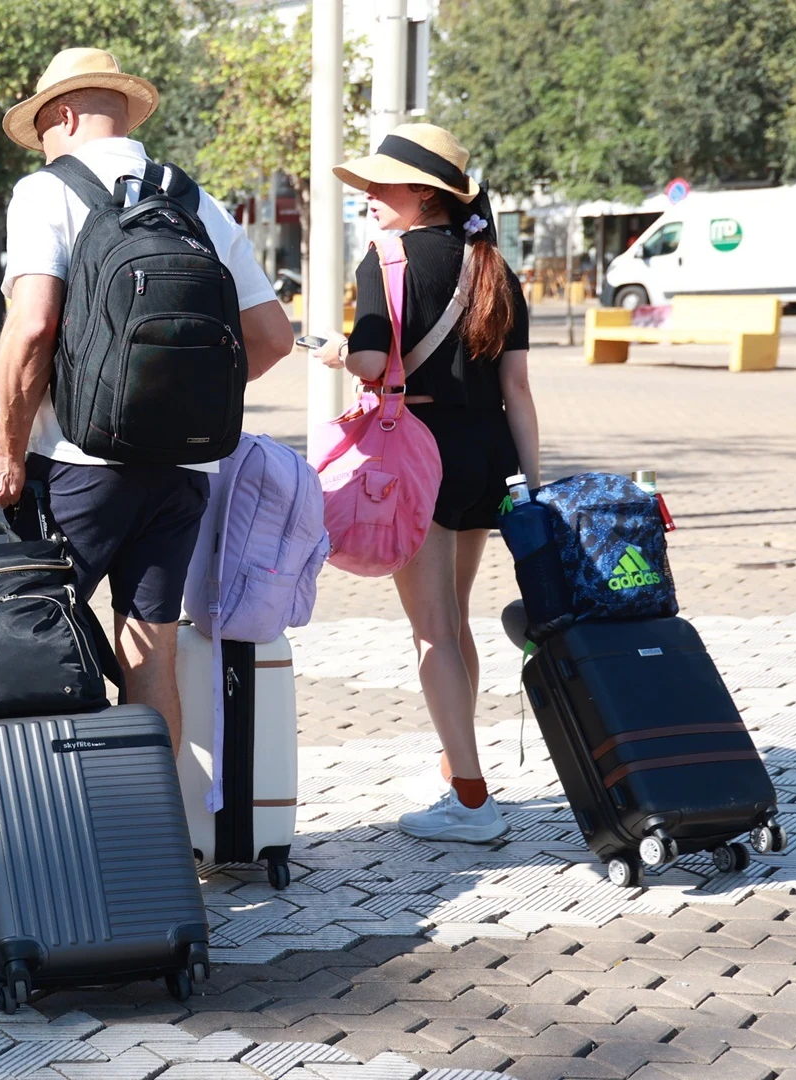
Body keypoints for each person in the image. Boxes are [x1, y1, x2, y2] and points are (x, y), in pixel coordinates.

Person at [0, 48, 295, 748]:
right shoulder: (195, 200)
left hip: (76, 463)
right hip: (184, 470)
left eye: (44, 130)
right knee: (151, 653)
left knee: (32, 644)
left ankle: (53, 841)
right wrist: (181, 397)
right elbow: (272, 338)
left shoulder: (46, 192)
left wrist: (3, 448)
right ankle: (160, 841)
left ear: (62, 114)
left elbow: (31, 326)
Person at [309, 123, 536, 843]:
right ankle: (453, 770)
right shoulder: (492, 264)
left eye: (383, 186)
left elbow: (375, 363)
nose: (370, 198)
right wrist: (532, 488)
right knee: (456, 618)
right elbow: (520, 388)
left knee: (433, 633)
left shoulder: (387, 259)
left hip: (420, 455)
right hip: (489, 456)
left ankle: (473, 801)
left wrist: (344, 353)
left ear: (426, 195)